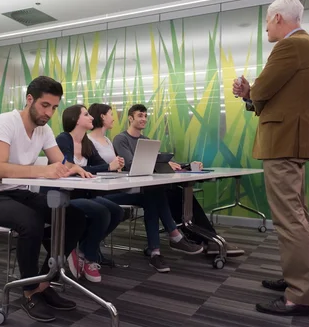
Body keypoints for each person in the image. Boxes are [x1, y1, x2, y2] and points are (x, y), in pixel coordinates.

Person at [0, 76, 88, 323]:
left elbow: (59, 161)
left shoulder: (43, 130)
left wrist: (72, 167)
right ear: (29, 99)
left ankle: (43, 285)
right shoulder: (5, 122)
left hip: (16, 194)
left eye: (54, 108)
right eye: (45, 105)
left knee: (74, 216)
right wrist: (42, 170)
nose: (49, 113)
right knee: (31, 221)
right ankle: (28, 292)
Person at [233, 0, 309, 316]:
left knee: (289, 219)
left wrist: (248, 91)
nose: (266, 29)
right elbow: (270, 93)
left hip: (283, 142)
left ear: (279, 18)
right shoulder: (305, 46)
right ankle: (297, 280)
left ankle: (299, 294)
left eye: (268, 22)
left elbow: (264, 88)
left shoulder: (289, 46)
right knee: (296, 216)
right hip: (291, 140)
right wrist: (253, 93)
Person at [112, 104, 244, 257]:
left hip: (151, 186)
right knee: (171, 196)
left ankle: (207, 238)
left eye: (145, 116)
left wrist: (187, 166)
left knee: (180, 195)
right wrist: (160, 163)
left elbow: (160, 161)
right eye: (140, 116)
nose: (144, 119)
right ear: (130, 118)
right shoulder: (121, 139)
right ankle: (199, 238)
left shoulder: (146, 140)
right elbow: (130, 163)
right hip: (135, 188)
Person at [87, 103, 204, 273]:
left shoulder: (108, 141)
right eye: (111, 114)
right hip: (106, 192)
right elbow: (124, 164)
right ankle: (173, 236)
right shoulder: (104, 140)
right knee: (154, 195)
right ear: (103, 116)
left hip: (121, 187)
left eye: (145, 116)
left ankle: (156, 251)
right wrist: (113, 166)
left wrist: (175, 164)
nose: (114, 117)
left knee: (154, 195)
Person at [56, 105, 125, 283]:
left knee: (117, 211)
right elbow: (69, 167)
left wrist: (114, 165)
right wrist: (106, 167)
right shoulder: (63, 139)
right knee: (101, 212)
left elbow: (101, 167)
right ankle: (90, 258)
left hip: (83, 194)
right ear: (75, 119)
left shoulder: (86, 142)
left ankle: (83, 249)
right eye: (86, 115)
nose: (91, 118)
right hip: (63, 196)